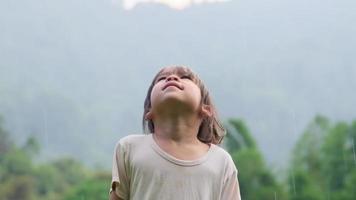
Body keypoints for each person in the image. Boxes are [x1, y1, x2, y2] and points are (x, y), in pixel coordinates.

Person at [109, 65, 241, 200]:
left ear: (205, 109)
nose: (172, 78)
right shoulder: (129, 148)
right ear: (149, 110)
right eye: (162, 78)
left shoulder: (221, 162)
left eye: (185, 77)